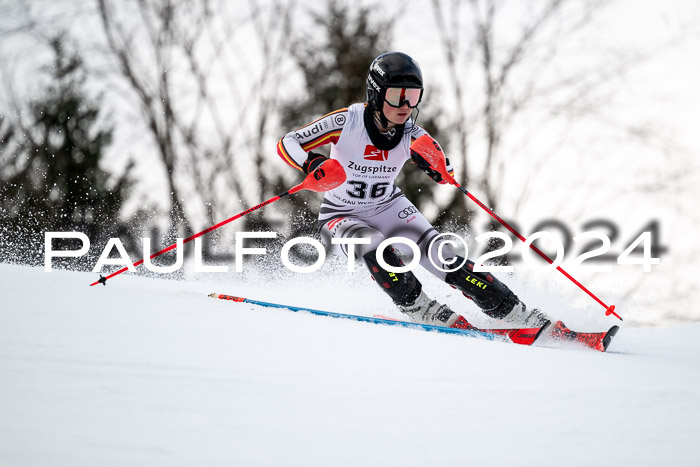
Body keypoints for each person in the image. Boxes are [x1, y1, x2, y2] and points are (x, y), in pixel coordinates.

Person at [277, 51, 549, 329]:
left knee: (442, 254)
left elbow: (448, 175)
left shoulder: (412, 134)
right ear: (376, 93)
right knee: (373, 245)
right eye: (397, 96)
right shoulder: (347, 121)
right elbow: (288, 142)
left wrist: (437, 168)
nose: (406, 105)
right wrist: (312, 162)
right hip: (340, 213)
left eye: (414, 96)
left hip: (389, 206)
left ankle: (515, 312)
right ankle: (419, 306)